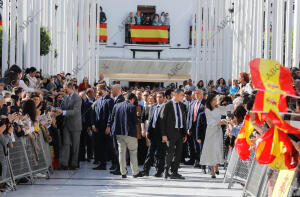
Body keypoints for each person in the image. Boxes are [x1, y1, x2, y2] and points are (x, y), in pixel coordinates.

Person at [110, 93, 143, 178]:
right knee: (133, 152)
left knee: (121, 153)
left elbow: (112, 118)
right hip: (130, 133)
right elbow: (135, 122)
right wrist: (138, 118)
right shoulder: (132, 107)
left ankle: (123, 172)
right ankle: (135, 172)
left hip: (118, 133)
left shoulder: (116, 106)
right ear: (132, 99)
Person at [200, 93, 233, 178]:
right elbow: (210, 122)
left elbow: (227, 109)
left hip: (218, 131)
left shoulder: (218, 108)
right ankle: (212, 172)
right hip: (211, 131)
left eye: (216, 99)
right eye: (214, 99)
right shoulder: (207, 110)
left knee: (218, 148)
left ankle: (217, 167)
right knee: (211, 150)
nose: (216, 101)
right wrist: (220, 122)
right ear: (210, 101)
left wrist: (235, 103)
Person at [160, 89, 187, 179]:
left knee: (179, 153)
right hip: (170, 133)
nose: (183, 97)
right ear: (176, 95)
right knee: (169, 153)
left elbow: (183, 120)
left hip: (180, 132)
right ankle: (166, 171)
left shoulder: (182, 105)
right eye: (182, 95)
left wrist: (184, 134)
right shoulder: (167, 105)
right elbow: (162, 120)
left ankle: (175, 172)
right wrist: (163, 134)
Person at [57, 82, 82, 170]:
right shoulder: (66, 97)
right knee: (66, 144)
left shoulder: (78, 98)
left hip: (75, 125)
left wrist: (63, 112)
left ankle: (74, 163)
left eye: (65, 88)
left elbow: (75, 111)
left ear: (71, 88)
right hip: (66, 124)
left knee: (75, 145)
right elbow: (63, 108)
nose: (64, 90)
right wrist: (57, 110)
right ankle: (64, 163)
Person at [142, 92, 167, 177]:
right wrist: (147, 131)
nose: (158, 99)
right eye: (157, 97)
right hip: (152, 133)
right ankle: (146, 170)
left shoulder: (166, 107)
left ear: (164, 98)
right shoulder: (152, 107)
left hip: (162, 134)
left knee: (161, 154)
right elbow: (150, 120)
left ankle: (159, 171)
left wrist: (165, 135)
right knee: (150, 152)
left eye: (160, 97)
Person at [92, 83, 115, 170]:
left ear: (102, 90)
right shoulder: (99, 100)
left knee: (109, 146)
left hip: (106, 127)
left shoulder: (110, 100)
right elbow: (96, 114)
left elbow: (111, 114)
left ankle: (114, 163)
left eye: (98, 89)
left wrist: (109, 126)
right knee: (101, 146)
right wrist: (95, 125)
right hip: (99, 127)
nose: (97, 91)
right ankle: (102, 164)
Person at [186, 90, 207, 171]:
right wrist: (188, 127)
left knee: (201, 144)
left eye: (198, 93)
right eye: (195, 94)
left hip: (202, 127)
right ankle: (197, 160)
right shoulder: (192, 103)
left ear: (201, 94)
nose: (196, 95)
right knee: (195, 145)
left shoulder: (205, 103)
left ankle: (202, 161)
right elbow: (189, 116)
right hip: (193, 126)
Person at [109, 84, 125, 175]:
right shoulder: (117, 99)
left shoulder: (120, 100)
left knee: (119, 149)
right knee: (116, 149)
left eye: (113, 90)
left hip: (118, 128)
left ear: (118, 90)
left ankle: (120, 169)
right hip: (115, 127)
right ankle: (118, 167)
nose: (111, 91)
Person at [79, 88, 95, 162]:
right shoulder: (79, 104)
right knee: (81, 142)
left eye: (83, 96)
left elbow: (90, 116)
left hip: (87, 125)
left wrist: (89, 125)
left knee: (89, 141)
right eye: (81, 96)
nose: (82, 97)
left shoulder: (89, 104)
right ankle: (82, 156)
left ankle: (89, 156)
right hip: (80, 125)